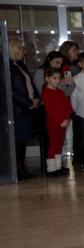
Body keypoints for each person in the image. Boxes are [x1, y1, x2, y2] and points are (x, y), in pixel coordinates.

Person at [9, 38, 40, 181]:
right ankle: (18, 170)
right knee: (19, 142)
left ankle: (22, 168)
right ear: (14, 50)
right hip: (18, 110)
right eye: (21, 48)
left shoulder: (20, 65)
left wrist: (37, 98)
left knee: (23, 141)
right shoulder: (8, 67)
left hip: (27, 108)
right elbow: (12, 92)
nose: (24, 51)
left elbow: (30, 84)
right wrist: (28, 103)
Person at [41, 67, 72, 176]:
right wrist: (60, 120)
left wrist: (67, 118)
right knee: (53, 144)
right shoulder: (46, 92)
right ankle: (51, 169)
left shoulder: (60, 92)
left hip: (63, 123)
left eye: (59, 78)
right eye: (54, 78)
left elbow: (67, 106)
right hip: (53, 124)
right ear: (47, 78)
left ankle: (58, 167)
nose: (57, 81)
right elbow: (49, 110)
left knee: (59, 144)